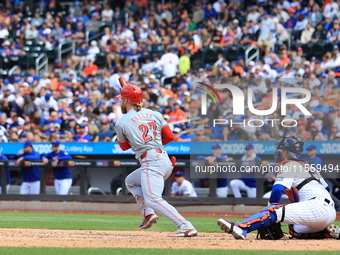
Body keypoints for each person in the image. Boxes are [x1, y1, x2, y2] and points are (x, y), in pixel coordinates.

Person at [115, 80, 197, 237]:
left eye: (122, 99)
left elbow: (124, 147)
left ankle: (186, 226)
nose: (120, 101)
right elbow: (169, 137)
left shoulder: (121, 121)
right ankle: (148, 213)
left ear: (126, 100)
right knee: (131, 181)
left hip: (151, 161)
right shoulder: (155, 114)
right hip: (164, 159)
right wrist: (152, 144)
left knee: (153, 198)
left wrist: (141, 142)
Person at [217, 137, 339, 240]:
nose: (278, 152)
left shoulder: (288, 164)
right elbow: (327, 189)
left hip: (316, 206)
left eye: (280, 150)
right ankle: (326, 232)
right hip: (329, 212)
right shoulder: (309, 167)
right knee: (294, 229)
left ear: (286, 152)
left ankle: (242, 228)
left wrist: (271, 210)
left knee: (273, 210)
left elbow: (277, 190)